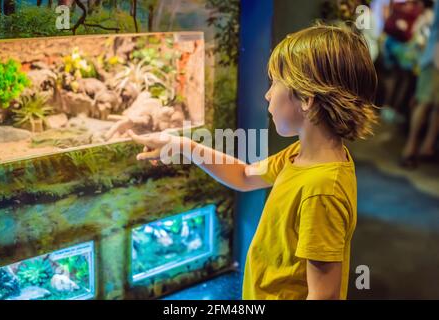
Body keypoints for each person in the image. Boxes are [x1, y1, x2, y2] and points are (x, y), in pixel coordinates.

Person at [117, 24, 378, 300]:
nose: (267, 95)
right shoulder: (301, 157)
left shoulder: (322, 189)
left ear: (307, 100)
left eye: (275, 83)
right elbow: (244, 175)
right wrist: (183, 146)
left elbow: (324, 295)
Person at [401, 0, 439, 168]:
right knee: (424, 102)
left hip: (433, 59)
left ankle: (427, 147)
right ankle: (409, 150)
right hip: (433, 60)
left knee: (435, 106)